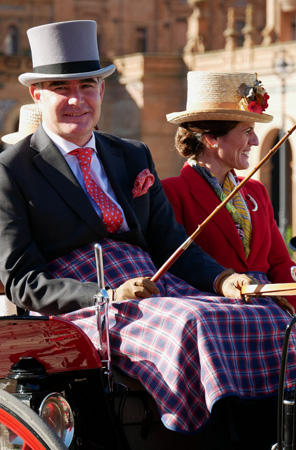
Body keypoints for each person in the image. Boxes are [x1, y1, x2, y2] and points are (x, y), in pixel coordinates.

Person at [0, 21, 295, 450]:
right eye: (62, 88)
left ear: (102, 91)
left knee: (268, 316)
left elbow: (171, 242)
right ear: (38, 94)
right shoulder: (12, 169)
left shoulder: (131, 154)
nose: (76, 100)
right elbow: (23, 281)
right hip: (87, 303)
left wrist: (223, 280)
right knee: (192, 323)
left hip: (155, 285)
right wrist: (106, 294)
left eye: (87, 86)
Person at [162, 70, 296, 309]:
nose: (255, 141)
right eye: (247, 131)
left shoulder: (255, 190)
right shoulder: (172, 192)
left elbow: (280, 264)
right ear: (212, 137)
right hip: (215, 315)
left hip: (271, 315)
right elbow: (178, 268)